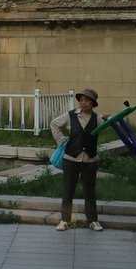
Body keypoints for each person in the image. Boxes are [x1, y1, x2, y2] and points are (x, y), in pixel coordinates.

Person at [50, 88, 110, 231]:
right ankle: (64, 220)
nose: (83, 103)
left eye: (87, 100)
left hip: (90, 160)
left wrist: (110, 118)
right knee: (68, 190)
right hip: (71, 158)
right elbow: (54, 124)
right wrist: (61, 140)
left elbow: (116, 125)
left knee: (90, 191)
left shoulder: (97, 118)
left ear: (93, 103)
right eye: (81, 100)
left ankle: (93, 220)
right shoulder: (70, 115)